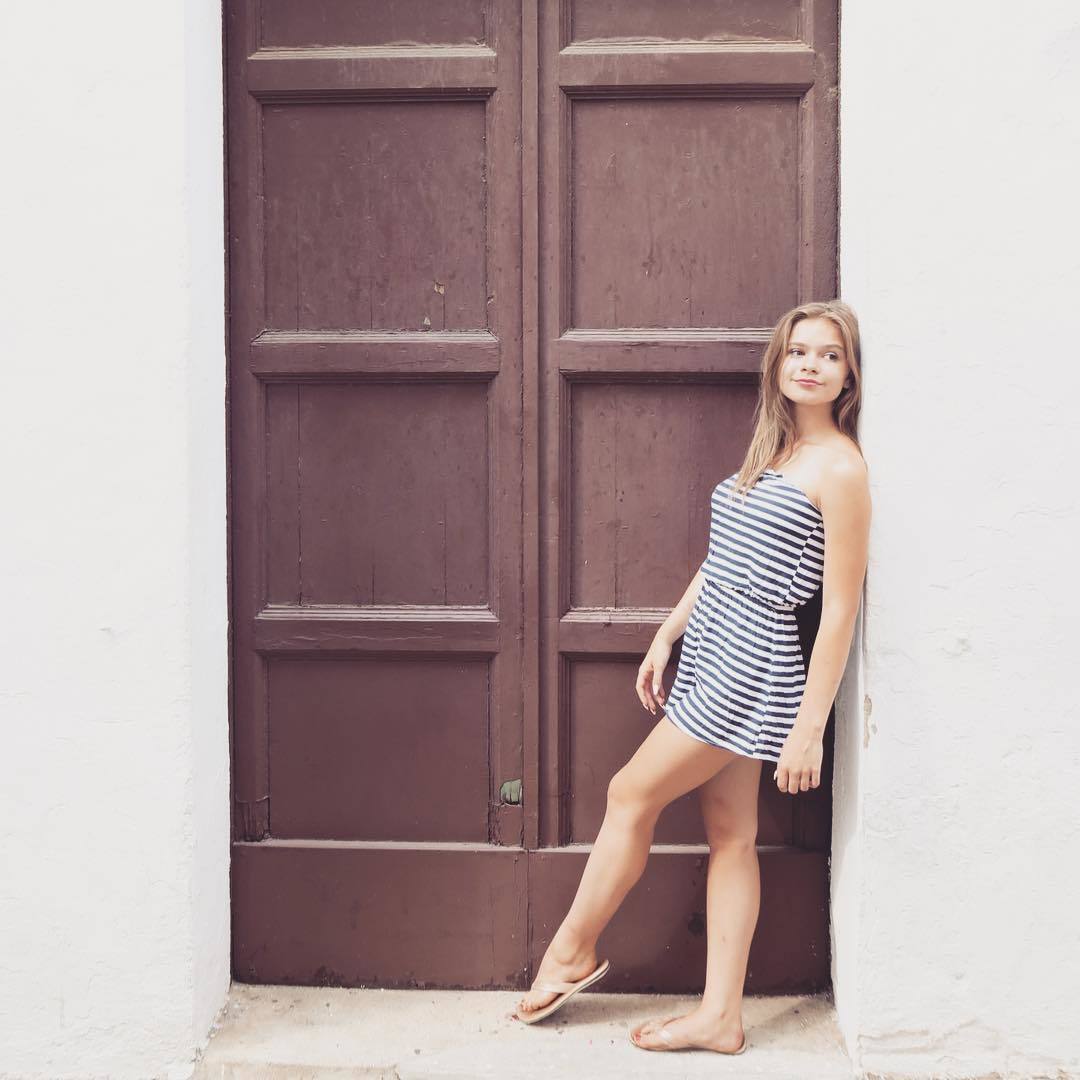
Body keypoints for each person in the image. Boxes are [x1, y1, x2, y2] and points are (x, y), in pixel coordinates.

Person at [511, 299, 872, 1054]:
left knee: (628, 794)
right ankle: (721, 1017)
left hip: (752, 664)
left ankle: (572, 951)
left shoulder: (840, 468)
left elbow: (839, 609)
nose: (810, 364)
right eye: (798, 350)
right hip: (712, 648)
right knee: (732, 835)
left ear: (849, 374)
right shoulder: (775, 452)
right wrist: (668, 633)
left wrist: (809, 728)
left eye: (829, 354)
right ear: (778, 364)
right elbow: (722, 559)